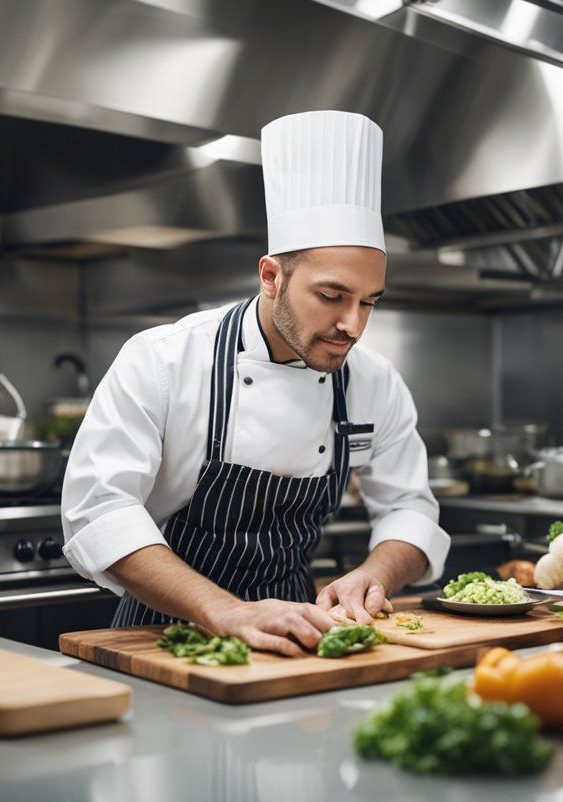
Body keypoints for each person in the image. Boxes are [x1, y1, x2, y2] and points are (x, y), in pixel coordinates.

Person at [61, 110, 450, 656]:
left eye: (369, 303)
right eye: (332, 296)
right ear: (271, 276)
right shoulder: (165, 360)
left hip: (300, 635)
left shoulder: (373, 381)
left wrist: (376, 572)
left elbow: (410, 505)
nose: (353, 326)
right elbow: (99, 511)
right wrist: (227, 612)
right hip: (164, 636)